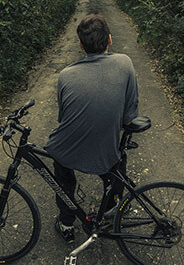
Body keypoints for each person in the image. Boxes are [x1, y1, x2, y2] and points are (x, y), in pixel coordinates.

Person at [44, 12, 139, 243]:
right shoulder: (125, 63)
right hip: (105, 151)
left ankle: (67, 223)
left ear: (80, 44)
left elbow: (64, 118)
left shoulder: (65, 76)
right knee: (117, 164)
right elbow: (129, 116)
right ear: (110, 40)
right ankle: (112, 208)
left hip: (68, 149)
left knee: (63, 178)